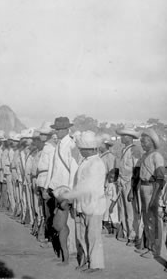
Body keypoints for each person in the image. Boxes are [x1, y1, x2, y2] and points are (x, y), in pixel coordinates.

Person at [60, 131, 106, 274]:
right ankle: (86, 260)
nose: (79, 150)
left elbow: (87, 187)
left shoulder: (97, 164)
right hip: (82, 204)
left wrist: (68, 196)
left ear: (89, 149)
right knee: (81, 235)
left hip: (93, 206)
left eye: (81, 148)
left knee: (93, 236)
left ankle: (96, 264)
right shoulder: (85, 162)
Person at [46, 117, 80, 258]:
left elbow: (74, 170)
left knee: (68, 222)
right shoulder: (58, 145)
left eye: (59, 129)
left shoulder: (71, 146)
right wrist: (48, 187)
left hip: (66, 189)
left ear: (66, 130)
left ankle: (71, 250)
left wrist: (70, 192)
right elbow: (53, 168)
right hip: (57, 189)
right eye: (56, 129)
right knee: (60, 223)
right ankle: (63, 249)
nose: (57, 132)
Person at [134, 128, 165, 259]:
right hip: (143, 187)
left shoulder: (156, 156)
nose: (142, 144)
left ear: (152, 142)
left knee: (154, 220)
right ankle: (149, 246)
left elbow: (160, 178)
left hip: (153, 189)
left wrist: (154, 197)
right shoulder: (144, 156)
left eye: (144, 141)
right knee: (146, 219)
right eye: (141, 142)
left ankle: (156, 250)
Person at [115, 126, 142, 247]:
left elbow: (136, 171)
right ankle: (126, 233)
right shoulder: (123, 150)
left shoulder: (134, 150)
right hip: (121, 182)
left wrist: (132, 189)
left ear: (129, 137)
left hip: (129, 183)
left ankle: (133, 235)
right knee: (123, 210)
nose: (121, 138)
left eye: (123, 136)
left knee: (131, 211)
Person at [35, 122, 56, 244]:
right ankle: (48, 234)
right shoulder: (45, 146)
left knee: (49, 211)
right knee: (45, 210)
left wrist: (46, 187)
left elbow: (51, 168)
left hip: (47, 180)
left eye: (44, 134)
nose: (41, 136)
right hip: (42, 179)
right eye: (41, 133)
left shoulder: (51, 147)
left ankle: (50, 236)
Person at [99, 135, 119, 234]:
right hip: (101, 184)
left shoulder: (110, 157)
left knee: (107, 207)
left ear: (105, 145)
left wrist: (106, 184)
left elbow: (111, 172)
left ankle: (109, 226)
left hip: (107, 185)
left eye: (101, 144)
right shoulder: (101, 156)